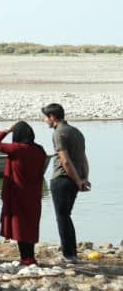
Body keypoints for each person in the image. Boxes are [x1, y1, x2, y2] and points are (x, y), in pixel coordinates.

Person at [0, 122, 48, 265]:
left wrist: (6, 130)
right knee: (31, 225)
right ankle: (31, 257)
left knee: (19, 226)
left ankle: (25, 258)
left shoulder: (16, 149)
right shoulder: (40, 150)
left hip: (17, 193)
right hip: (34, 194)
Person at [42, 103, 90, 263]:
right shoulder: (76, 132)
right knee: (66, 216)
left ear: (53, 117)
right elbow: (83, 158)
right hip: (74, 180)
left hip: (62, 179)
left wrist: (78, 180)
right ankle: (72, 253)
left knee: (62, 217)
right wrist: (83, 179)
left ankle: (68, 255)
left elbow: (65, 160)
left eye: (46, 117)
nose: (45, 121)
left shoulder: (59, 133)